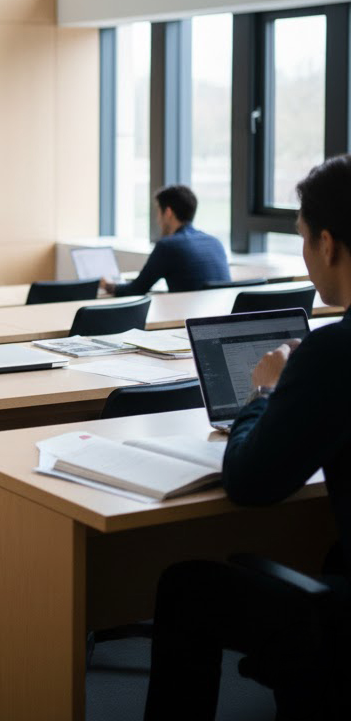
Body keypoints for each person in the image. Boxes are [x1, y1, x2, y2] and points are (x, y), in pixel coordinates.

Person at [143, 154, 351, 720]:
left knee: (187, 588)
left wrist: (265, 394)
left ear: (328, 244)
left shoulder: (332, 353)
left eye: (304, 240)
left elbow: (250, 482)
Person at [102, 184, 230, 296]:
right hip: (218, 318)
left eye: (158, 212)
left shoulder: (168, 246)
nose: (158, 219)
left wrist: (106, 285)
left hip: (187, 318)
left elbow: (136, 289)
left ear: (168, 212)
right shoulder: (215, 242)